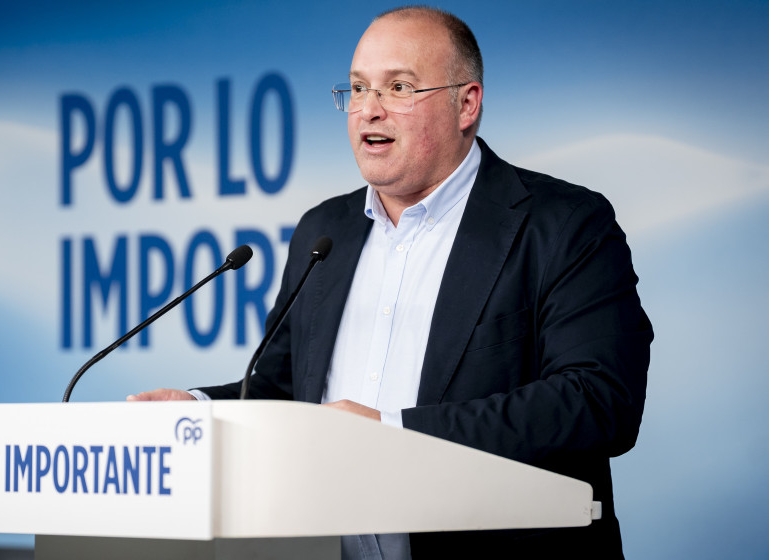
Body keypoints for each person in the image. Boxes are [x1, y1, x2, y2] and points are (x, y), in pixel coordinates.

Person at [129, 6, 652, 558]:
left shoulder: (563, 223)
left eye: (398, 87)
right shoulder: (323, 230)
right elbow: (287, 394)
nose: (368, 112)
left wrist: (392, 435)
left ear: (466, 103)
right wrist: (199, 410)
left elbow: (600, 401)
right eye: (357, 89)